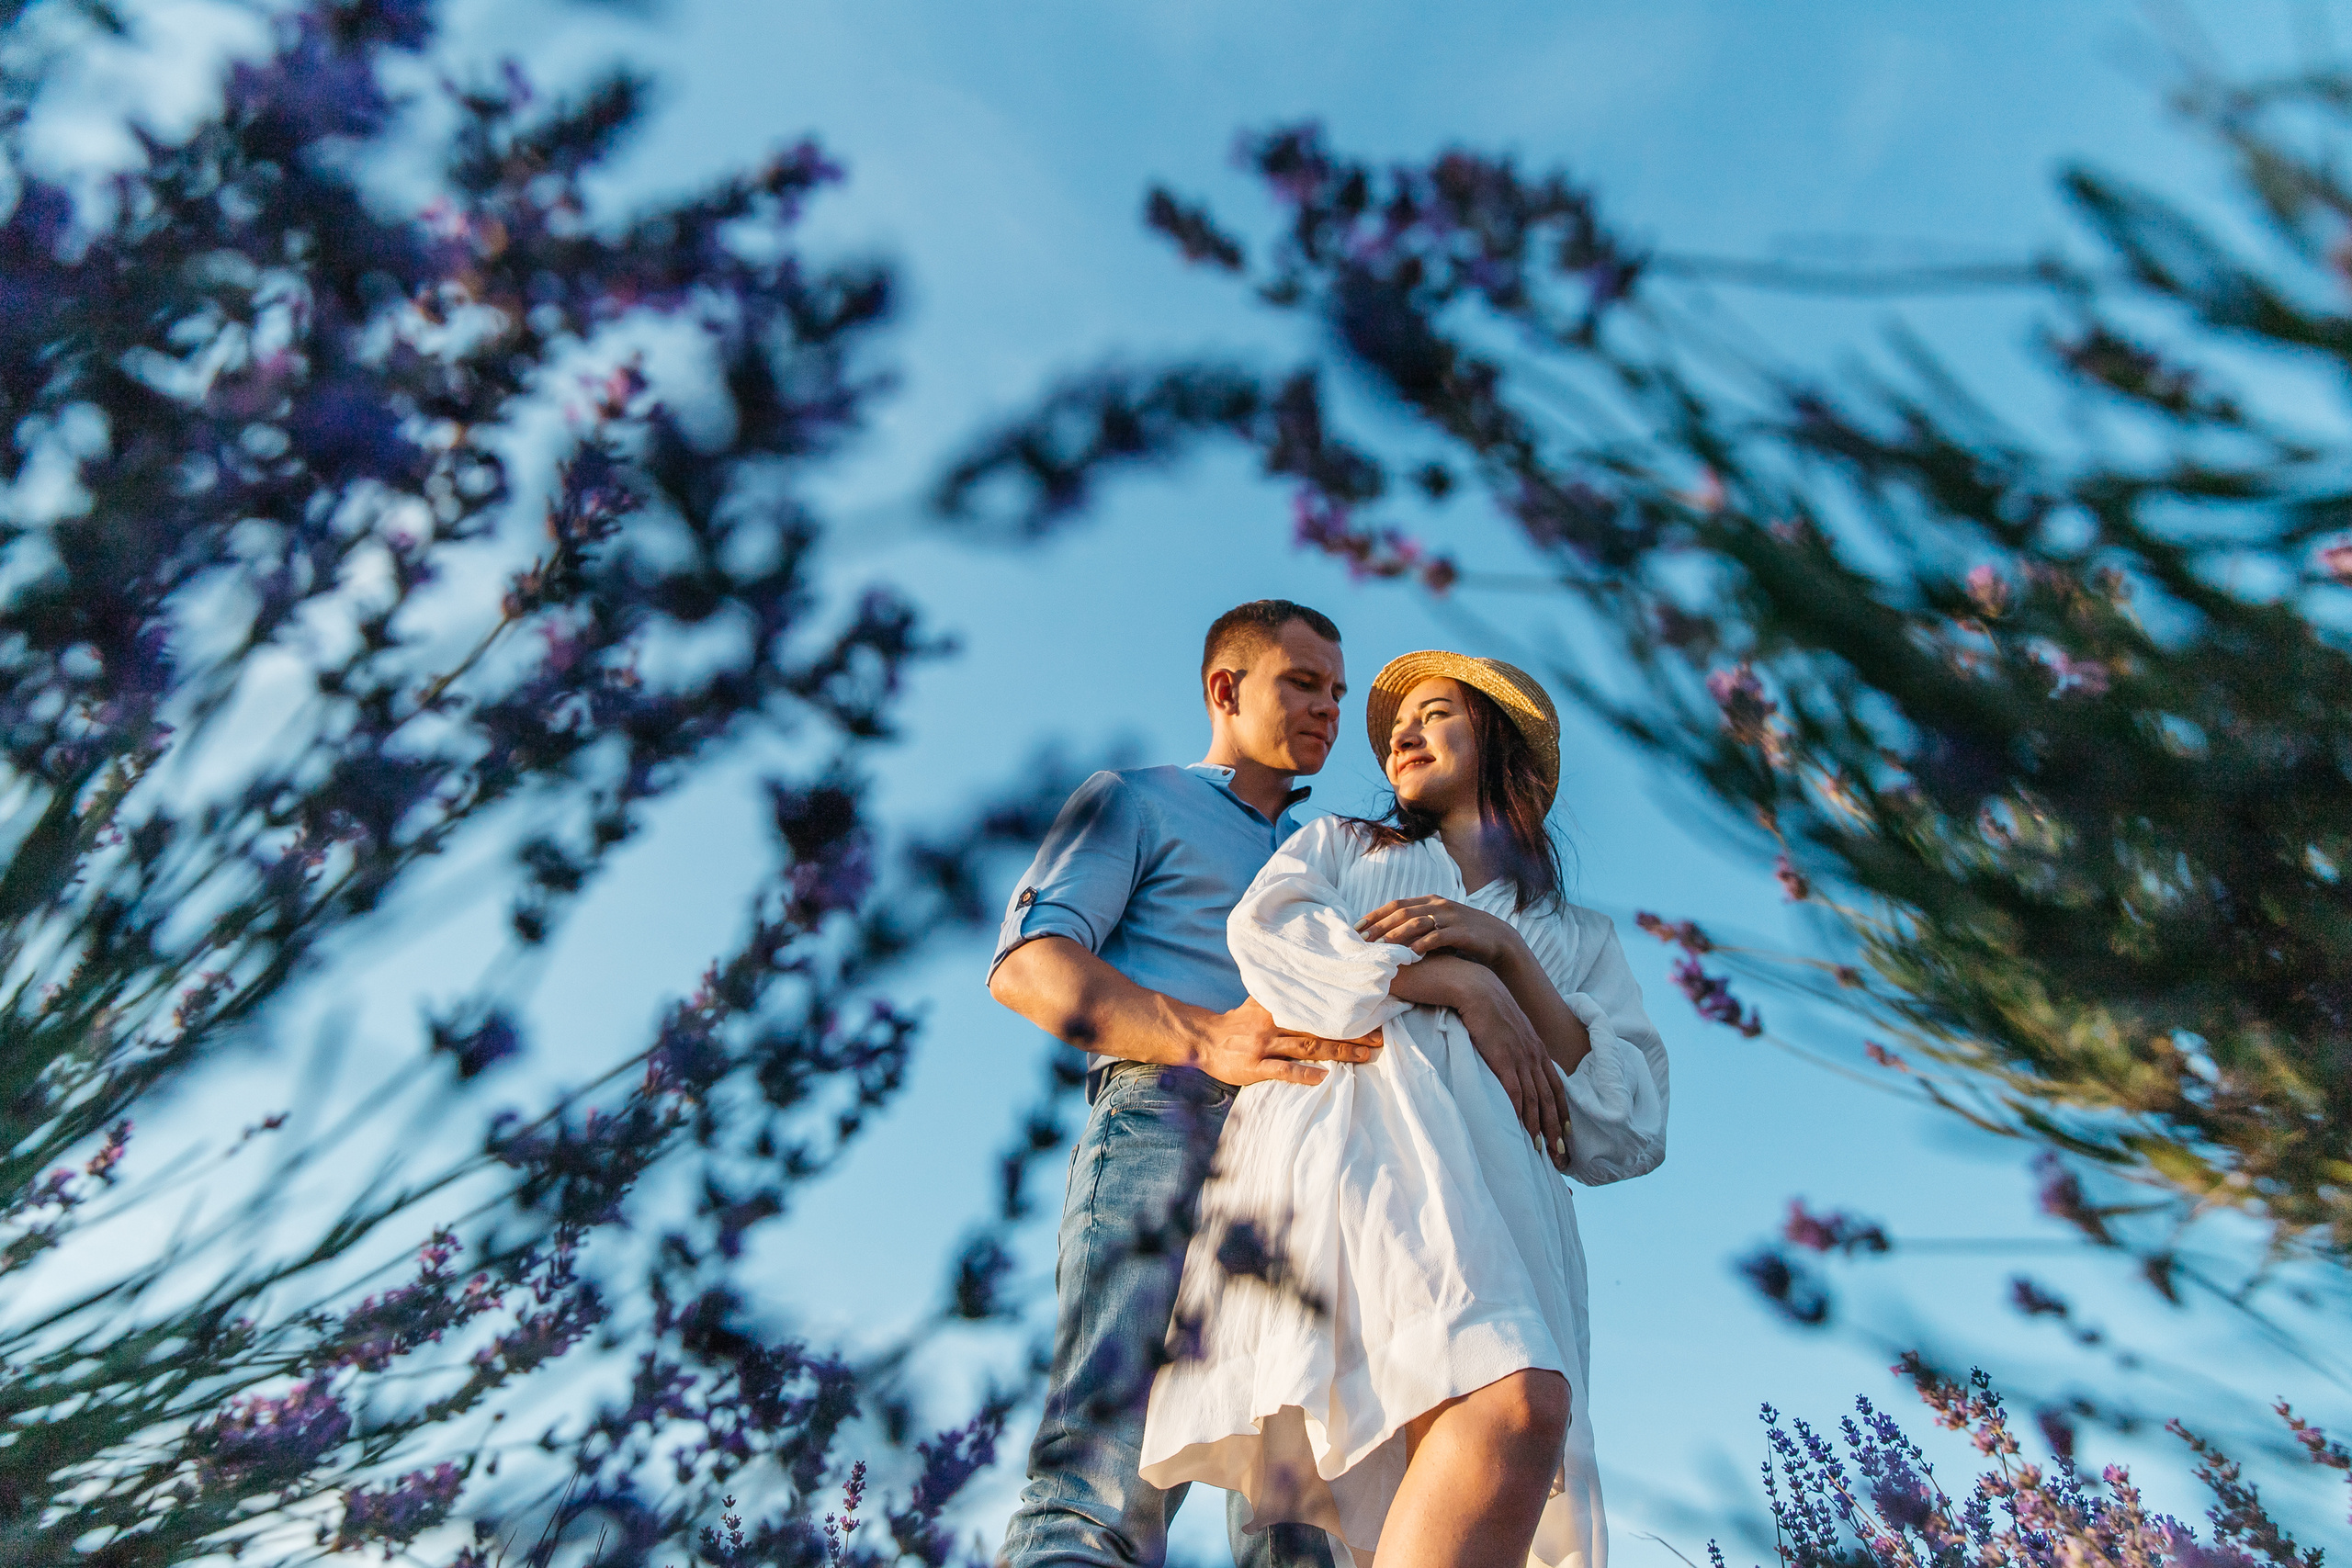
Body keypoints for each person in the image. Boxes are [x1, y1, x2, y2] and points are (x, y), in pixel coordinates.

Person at [1137, 651, 1670, 1568]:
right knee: (1507, 1407)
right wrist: (1451, 981)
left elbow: (1626, 1123)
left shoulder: (1576, 935)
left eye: (1433, 714)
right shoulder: (1346, 847)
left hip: (1507, 1208)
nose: (1401, 738)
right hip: (1353, 1162)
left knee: (1491, 1447)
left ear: (1502, 745)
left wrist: (1506, 958)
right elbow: (1270, 944)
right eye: (1393, 731)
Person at [989, 601, 1376, 1568]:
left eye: (1336, 690)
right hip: (1166, 1123)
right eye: (1301, 683)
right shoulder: (1133, 798)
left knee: (1299, 1508)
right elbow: (1028, 965)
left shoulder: (1325, 861)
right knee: (1105, 1477)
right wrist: (1205, 1039)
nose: (1330, 707)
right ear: (1224, 689)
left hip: (1304, 1172)